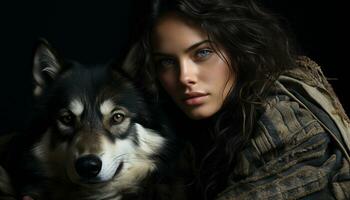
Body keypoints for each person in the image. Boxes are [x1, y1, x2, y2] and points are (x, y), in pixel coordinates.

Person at [128, 0, 350, 199]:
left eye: (202, 53)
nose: (184, 77)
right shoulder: (191, 133)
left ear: (238, 49)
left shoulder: (285, 119)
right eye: (166, 62)